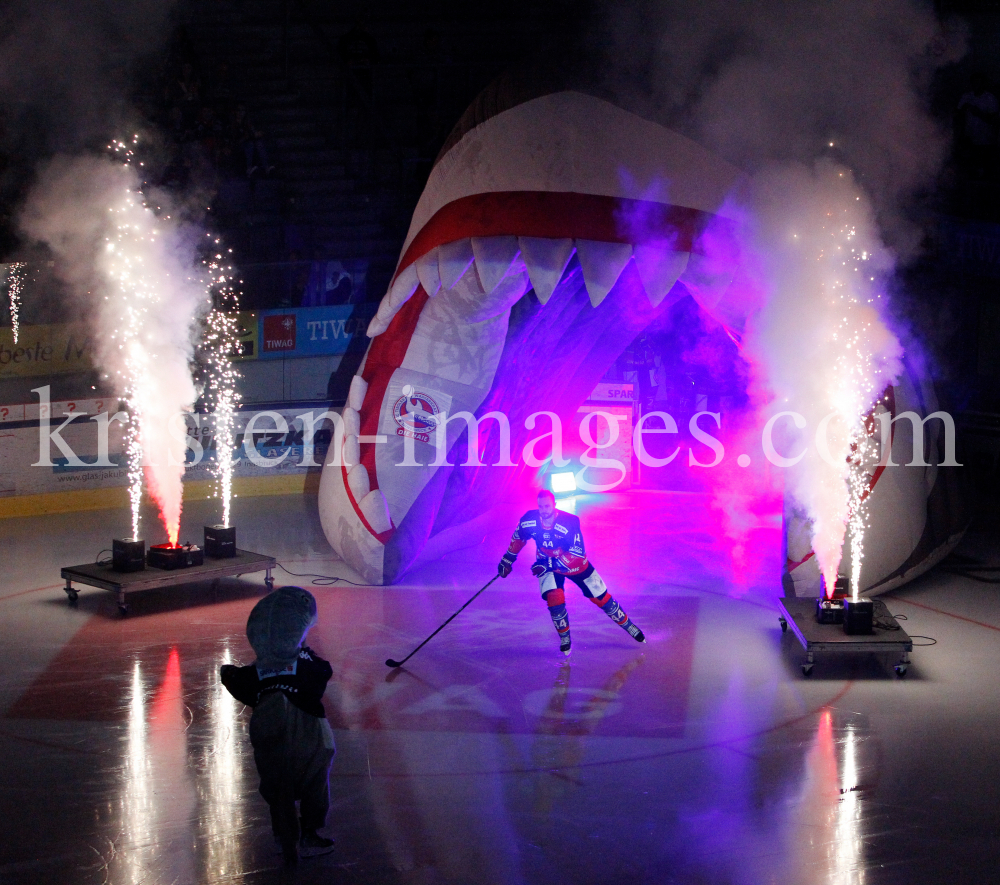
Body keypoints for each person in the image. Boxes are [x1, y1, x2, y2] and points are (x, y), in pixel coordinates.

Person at [220, 586, 336, 865]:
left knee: (277, 785)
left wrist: (229, 671)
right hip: (309, 734)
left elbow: (235, 681)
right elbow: (323, 674)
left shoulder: (257, 670)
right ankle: (309, 835)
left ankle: (281, 835)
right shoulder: (307, 664)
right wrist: (304, 654)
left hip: (268, 730)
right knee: (314, 784)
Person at [498, 489, 646, 654]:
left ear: (554, 505)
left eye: (547, 506)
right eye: (541, 507)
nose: (544, 511)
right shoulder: (529, 519)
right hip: (546, 563)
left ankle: (629, 626)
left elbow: (577, 552)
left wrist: (548, 563)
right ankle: (565, 638)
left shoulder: (570, 522)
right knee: (554, 599)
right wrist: (507, 559)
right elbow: (519, 536)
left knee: (601, 598)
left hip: (574, 564)